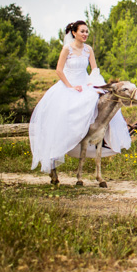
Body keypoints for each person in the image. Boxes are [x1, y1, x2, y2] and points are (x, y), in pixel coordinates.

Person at [29, 20, 131, 175]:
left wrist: (94, 84)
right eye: (82, 31)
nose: (85, 34)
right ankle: (64, 141)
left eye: (87, 31)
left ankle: (100, 139)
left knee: (104, 101)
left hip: (85, 82)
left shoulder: (88, 49)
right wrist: (70, 87)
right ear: (74, 33)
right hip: (68, 84)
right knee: (65, 110)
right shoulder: (67, 49)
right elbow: (59, 70)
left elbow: (94, 69)